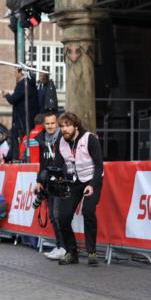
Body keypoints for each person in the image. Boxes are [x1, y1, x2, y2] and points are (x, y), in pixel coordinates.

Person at [37, 111, 104, 265]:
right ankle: (71, 252)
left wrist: (92, 185)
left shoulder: (89, 139)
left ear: (76, 126)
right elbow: (57, 164)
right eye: (62, 126)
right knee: (63, 216)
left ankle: (92, 252)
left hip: (92, 181)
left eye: (67, 126)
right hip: (74, 182)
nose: (64, 129)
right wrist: (44, 179)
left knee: (88, 211)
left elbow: (99, 166)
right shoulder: (61, 141)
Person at [3, 68, 38, 161]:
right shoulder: (30, 85)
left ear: (20, 72)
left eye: (15, 71)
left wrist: (7, 95)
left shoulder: (23, 84)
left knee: (20, 139)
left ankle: (18, 158)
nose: (14, 73)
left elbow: (13, 99)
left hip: (22, 120)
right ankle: (13, 157)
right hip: (27, 118)